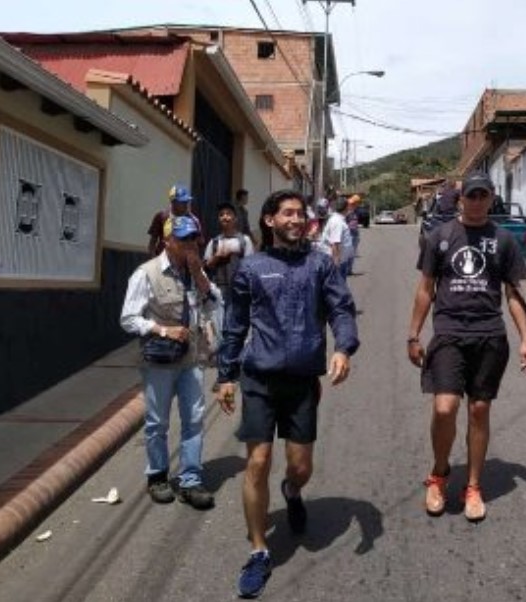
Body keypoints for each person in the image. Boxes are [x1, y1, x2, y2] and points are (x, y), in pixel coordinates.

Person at [215, 189, 359, 599]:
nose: (297, 219)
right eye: (289, 213)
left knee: (300, 466)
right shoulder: (251, 268)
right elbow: (234, 326)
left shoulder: (320, 265)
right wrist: (226, 375)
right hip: (259, 379)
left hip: (301, 383)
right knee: (257, 462)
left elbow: (341, 309)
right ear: (269, 220)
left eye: (302, 214)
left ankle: (292, 492)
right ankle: (260, 551)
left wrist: (344, 348)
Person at [407, 171, 526, 523]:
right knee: (445, 408)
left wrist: (525, 339)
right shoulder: (440, 236)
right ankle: (439, 473)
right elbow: (425, 289)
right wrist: (414, 335)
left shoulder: (505, 240)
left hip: (489, 335)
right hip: (448, 332)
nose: (477, 201)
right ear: (460, 199)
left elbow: (513, 294)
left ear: (491, 198)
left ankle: (473, 486)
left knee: (479, 410)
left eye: (483, 195)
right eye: (471, 195)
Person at [121, 215, 219, 510]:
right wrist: (162, 330)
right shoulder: (146, 273)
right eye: (184, 239)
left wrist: (200, 275)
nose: (191, 245)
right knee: (157, 422)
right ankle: (158, 476)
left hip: (191, 359)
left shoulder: (195, 271)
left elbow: (215, 303)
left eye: (194, 239)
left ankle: (190, 479)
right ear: (167, 241)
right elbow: (128, 319)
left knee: (193, 419)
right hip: (160, 359)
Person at [203, 202, 255, 351]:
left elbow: (251, 267)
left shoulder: (244, 241)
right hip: (219, 289)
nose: (225, 217)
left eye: (228, 214)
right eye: (221, 215)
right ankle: (223, 354)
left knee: (237, 323)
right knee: (219, 324)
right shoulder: (213, 242)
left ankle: (235, 353)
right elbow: (206, 267)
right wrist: (217, 257)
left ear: (235, 218)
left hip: (239, 290)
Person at [147, 184, 205, 256]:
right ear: (173, 202)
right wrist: (154, 259)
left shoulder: (193, 220)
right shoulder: (161, 216)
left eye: (186, 201)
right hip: (162, 261)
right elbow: (152, 242)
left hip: (182, 263)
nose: (185, 204)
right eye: (182, 202)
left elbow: (200, 242)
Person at [318, 196, 354, 279]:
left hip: (340, 261)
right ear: (346, 207)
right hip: (336, 262)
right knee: (338, 289)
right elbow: (335, 243)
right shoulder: (337, 222)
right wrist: (336, 264)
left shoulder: (338, 219)